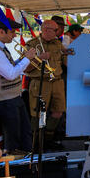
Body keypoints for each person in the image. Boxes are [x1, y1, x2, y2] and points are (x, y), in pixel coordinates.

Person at [0, 18, 36, 155]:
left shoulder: (0, 48)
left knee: (23, 131)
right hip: (5, 100)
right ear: (1, 32)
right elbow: (10, 74)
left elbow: (9, 67)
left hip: (12, 97)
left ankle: (26, 154)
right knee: (13, 137)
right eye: (12, 32)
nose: (14, 35)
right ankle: (16, 164)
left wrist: (22, 59)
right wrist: (27, 58)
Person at [25, 20, 68, 150]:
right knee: (37, 115)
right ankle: (35, 143)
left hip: (57, 82)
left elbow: (67, 62)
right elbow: (25, 69)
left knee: (58, 112)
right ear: (46, 29)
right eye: (56, 30)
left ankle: (47, 140)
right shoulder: (32, 44)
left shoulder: (59, 44)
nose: (58, 33)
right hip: (40, 83)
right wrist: (40, 59)